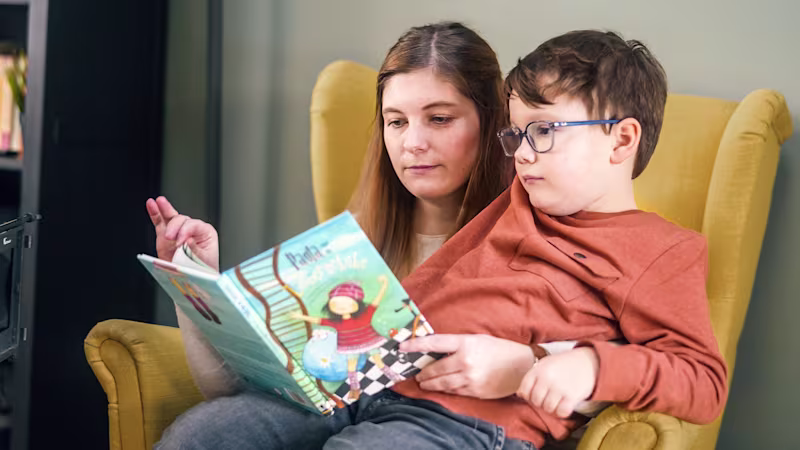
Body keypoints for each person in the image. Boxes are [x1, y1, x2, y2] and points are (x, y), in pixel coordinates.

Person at [152, 22, 528, 449]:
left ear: (491, 121)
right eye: (396, 122)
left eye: (439, 119)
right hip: (348, 409)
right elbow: (229, 394)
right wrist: (193, 281)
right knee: (195, 437)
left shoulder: (527, 236)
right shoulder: (346, 249)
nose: (413, 143)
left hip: (453, 424)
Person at [394, 30, 728, 448]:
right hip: (374, 377)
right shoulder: (519, 194)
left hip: (463, 424)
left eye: (546, 130)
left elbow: (704, 380)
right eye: (517, 134)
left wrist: (588, 366)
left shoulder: (660, 250)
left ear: (622, 139)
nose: (523, 153)